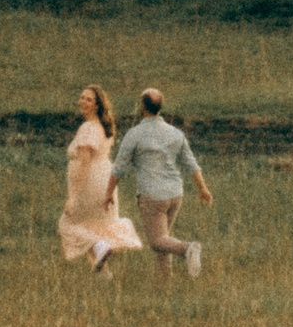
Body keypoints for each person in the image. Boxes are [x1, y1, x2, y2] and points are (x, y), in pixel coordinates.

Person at [108, 87, 212, 277]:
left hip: (152, 195)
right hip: (175, 194)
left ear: (142, 106)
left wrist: (108, 193)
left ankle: (188, 248)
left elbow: (118, 168)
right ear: (160, 107)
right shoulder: (175, 133)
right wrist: (203, 188)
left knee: (157, 242)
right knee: (165, 240)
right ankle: (164, 284)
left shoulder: (134, 134)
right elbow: (191, 164)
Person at [59, 85, 143, 275]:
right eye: (82, 97)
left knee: (67, 224)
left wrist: (73, 196)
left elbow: (84, 164)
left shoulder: (88, 128)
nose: (83, 101)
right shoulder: (102, 128)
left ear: (97, 105)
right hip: (104, 181)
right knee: (93, 226)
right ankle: (104, 275)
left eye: (88, 99)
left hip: (90, 183)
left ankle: (100, 246)